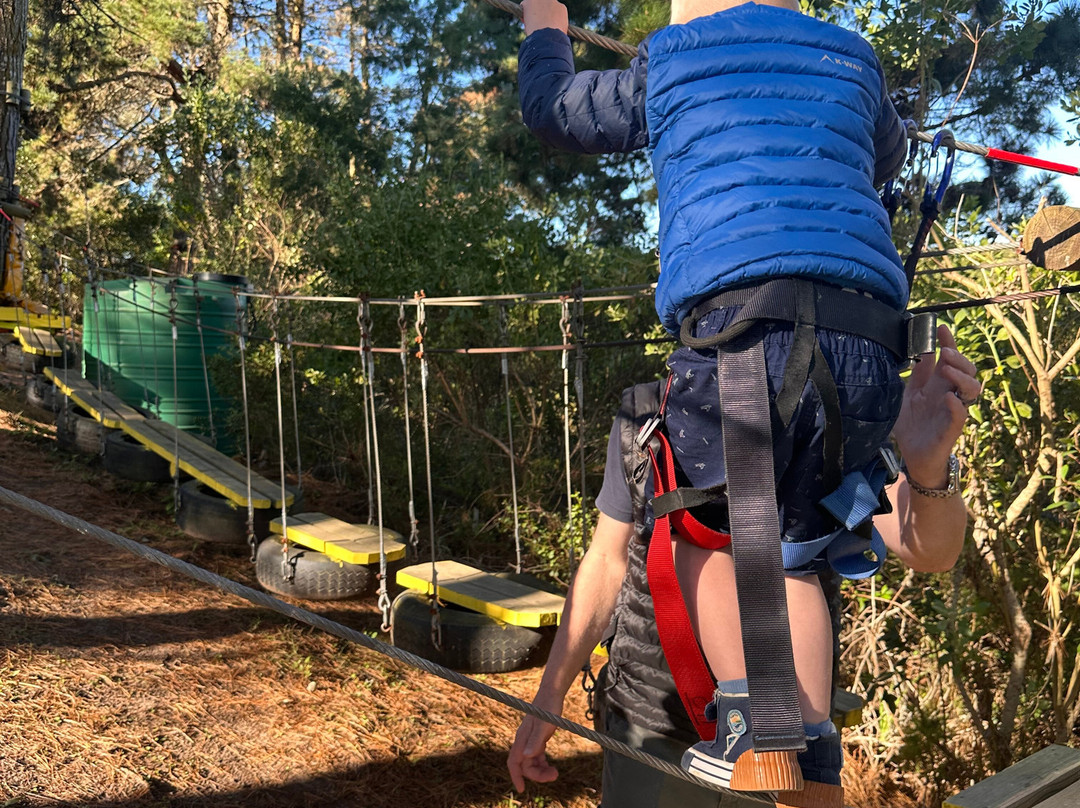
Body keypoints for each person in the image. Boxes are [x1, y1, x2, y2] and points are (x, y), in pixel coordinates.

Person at [516, 0, 921, 801]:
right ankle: (811, 757)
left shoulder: (673, 56)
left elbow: (555, 113)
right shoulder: (853, 57)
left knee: (701, 524)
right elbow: (887, 154)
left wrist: (545, 24)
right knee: (797, 550)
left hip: (745, 334)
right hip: (867, 341)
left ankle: (750, 724)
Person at [507, 324, 978, 806]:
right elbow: (606, 561)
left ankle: (760, 736)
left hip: (787, 734)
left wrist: (927, 466)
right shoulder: (648, 413)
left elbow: (930, 551)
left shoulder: (836, 422)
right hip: (657, 720)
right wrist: (550, 693)